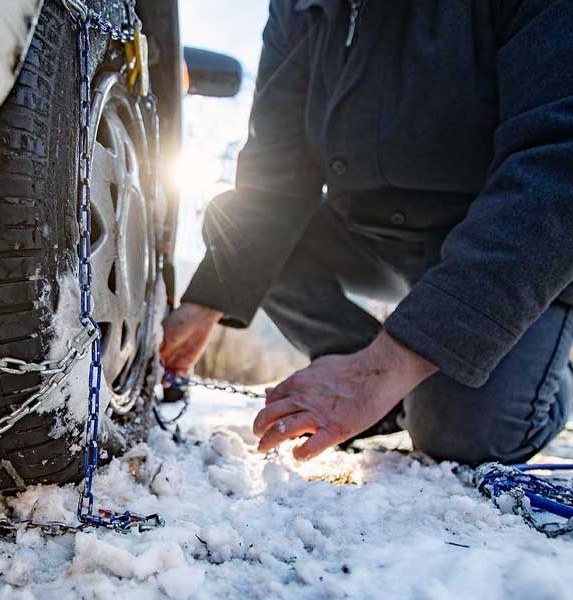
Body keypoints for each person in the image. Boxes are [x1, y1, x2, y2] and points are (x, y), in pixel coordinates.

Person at [160, 0, 573, 465]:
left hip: (499, 243)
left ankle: (543, 368)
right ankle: (372, 386)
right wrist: (207, 301)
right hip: (368, 236)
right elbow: (276, 168)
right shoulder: (298, 8)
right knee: (232, 222)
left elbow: (558, 161)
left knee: (463, 435)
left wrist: (387, 366)